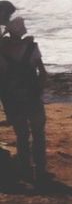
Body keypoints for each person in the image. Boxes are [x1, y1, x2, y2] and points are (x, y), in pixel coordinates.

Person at [0, 15, 50, 187]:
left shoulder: (2, 51)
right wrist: (39, 92)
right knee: (39, 134)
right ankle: (40, 170)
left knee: (21, 135)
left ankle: (25, 170)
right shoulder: (32, 46)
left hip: (13, 99)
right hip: (32, 97)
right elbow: (42, 73)